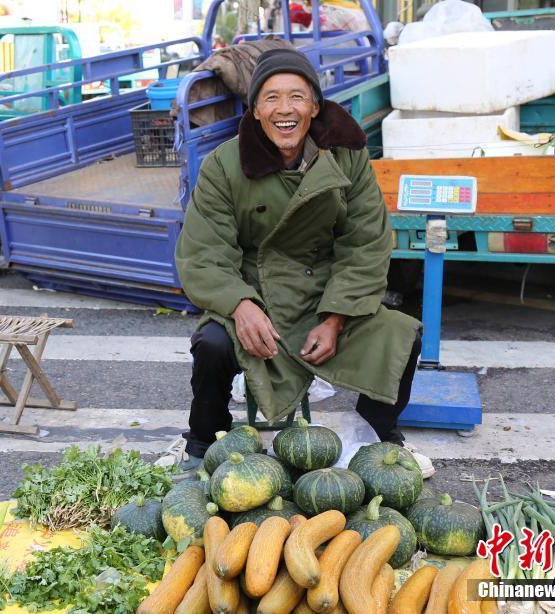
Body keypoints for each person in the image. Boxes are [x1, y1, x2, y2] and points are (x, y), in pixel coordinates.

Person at [170, 48, 433, 477]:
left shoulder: (347, 157)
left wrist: (335, 318)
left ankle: (380, 434)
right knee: (212, 345)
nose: (284, 109)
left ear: (314, 106)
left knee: (402, 335)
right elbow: (204, 251)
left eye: (296, 97)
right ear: (255, 110)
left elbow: (366, 243)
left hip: (324, 294)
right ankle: (203, 441)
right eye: (271, 98)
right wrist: (240, 306)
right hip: (256, 295)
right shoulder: (224, 165)